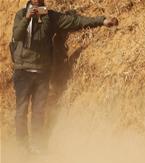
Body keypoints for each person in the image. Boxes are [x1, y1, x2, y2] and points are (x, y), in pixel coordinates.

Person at [9, 0, 117, 152]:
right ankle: (22, 147)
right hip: (23, 71)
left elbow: (76, 21)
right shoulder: (20, 14)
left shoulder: (51, 17)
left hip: (42, 72)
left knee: (38, 111)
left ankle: (37, 146)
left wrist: (102, 20)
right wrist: (27, 18)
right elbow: (17, 36)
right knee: (21, 111)